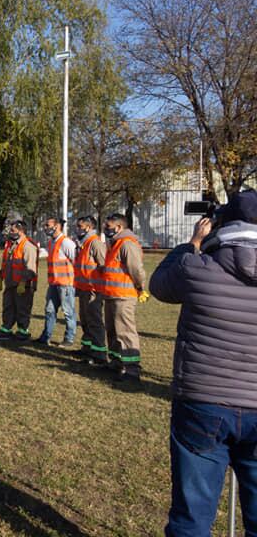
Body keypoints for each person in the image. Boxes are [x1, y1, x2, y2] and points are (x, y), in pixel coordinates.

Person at [150, 193, 257, 535]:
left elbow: (159, 284)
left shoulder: (195, 268)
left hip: (202, 401)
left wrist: (192, 243)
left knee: (192, 516)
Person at [96, 213, 148, 385]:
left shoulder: (127, 244)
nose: (105, 228)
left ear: (118, 227)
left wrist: (140, 287)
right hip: (111, 294)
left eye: (108, 226)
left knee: (125, 332)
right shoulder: (115, 243)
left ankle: (132, 369)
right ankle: (117, 363)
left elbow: (136, 270)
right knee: (112, 331)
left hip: (123, 296)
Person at [0, 221, 38, 341]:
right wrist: (0, 276)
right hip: (10, 283)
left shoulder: (28, 246)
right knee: (8, 306)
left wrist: (23, 282)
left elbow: (30, 268)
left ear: (21, 231)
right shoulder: (10, 244)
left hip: (23, 285)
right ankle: (6, 328)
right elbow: (6, 263)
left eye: (13, 230)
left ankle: (23, 331)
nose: (10, 232)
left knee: (22, 308)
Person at [38, 218, 77, 348]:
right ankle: (46, 336)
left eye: (48, 225)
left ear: (57, 226)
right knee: (49, 310)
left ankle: (69, 338)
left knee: (68, 312)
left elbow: (75, 260)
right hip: (54, 283)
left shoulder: (66, 243)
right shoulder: (51, 243)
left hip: (66, 284)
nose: (45, 227)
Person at [73, 216, 107, 365]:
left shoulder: (95, 243)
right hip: (83, 288)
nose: (77, 229)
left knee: (94, 321)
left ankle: (99, 353)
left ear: (88, 227)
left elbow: (104, 266)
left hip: (93, 289)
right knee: (85, 320)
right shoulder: (83, 243)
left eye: (80, 226)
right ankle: (87, 348)